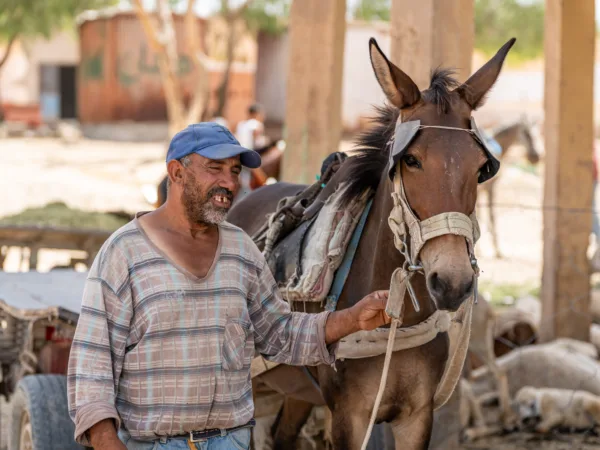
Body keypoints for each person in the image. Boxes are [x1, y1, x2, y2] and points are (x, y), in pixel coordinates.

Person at [67, 122, 391, 450]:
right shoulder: (124, 252)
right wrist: (105, 440)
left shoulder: (241, 249)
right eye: (215, 168)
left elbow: (281, 334)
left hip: (230, 441)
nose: (229, 182)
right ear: (177, 172)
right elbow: (92, 362)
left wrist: (353, 318)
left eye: (235, 171)